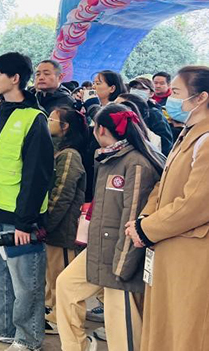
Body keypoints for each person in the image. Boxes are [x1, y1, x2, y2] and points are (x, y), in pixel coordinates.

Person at [56, 103, 164, 351]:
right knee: (66, 286)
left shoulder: (136, 163)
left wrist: (123, 266)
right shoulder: (107, 158)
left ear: (101, 129)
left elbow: (133, 215)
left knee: (121, 328)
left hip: (122, 256)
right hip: (100, 248)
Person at [0, 52, 53, 351]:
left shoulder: (34, 119)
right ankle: (1, 327)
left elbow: (37, 175)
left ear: (15, 78)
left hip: (20, 216)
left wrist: (25, 221)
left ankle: (28, 338)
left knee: (26, 282)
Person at [125, 66, 209, 351]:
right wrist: (144, 219)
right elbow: (163, 185)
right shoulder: (189, 133)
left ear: (201, 98)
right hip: (168, 243)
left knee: (187, 329)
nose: (170, 98)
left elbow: (195, 203)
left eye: (176, 92)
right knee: (165, 323)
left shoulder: (206, 139)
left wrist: (146, 228)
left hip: (192, 251)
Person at [43, 107, 88, 335]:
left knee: (62, 273)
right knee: (52, 273)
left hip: (62, 227)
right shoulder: (58, 151)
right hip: (54, 227)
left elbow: (62, 192)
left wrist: (48, 222)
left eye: (52, 119)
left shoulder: (70, 156)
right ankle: (52, 310)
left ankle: (62, 319)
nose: (48, 121)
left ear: (65, 126)